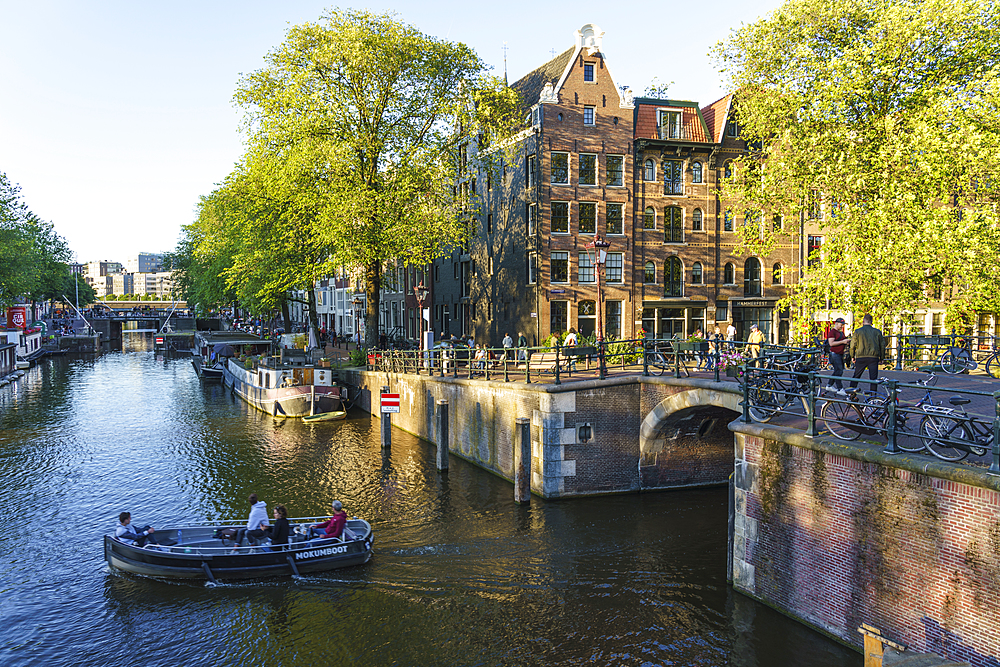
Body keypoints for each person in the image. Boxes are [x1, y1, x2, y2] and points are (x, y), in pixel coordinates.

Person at [849, 314, 886, 395]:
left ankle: (851, 392)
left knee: (856, 376)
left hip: (861, 356)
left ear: (863, 321)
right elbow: (882, 346)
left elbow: (852, 345)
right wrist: (882, 357)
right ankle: (873, 396)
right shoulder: (877, 332)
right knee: (873, 378)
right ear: (871, 322)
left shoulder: (858, 331)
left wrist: (852, 356)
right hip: (873, 356)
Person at [825, 318, 852, 395]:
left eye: (843, 325)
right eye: (841, 324)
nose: (842, 326)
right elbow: (831, 343)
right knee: (839, 370)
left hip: (840, 354)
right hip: (834, 353)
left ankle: (829, 385)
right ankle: (840, 388)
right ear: (836, 323)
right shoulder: (832, 332)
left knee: (837, 370)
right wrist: (843, 342)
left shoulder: (841, 333)